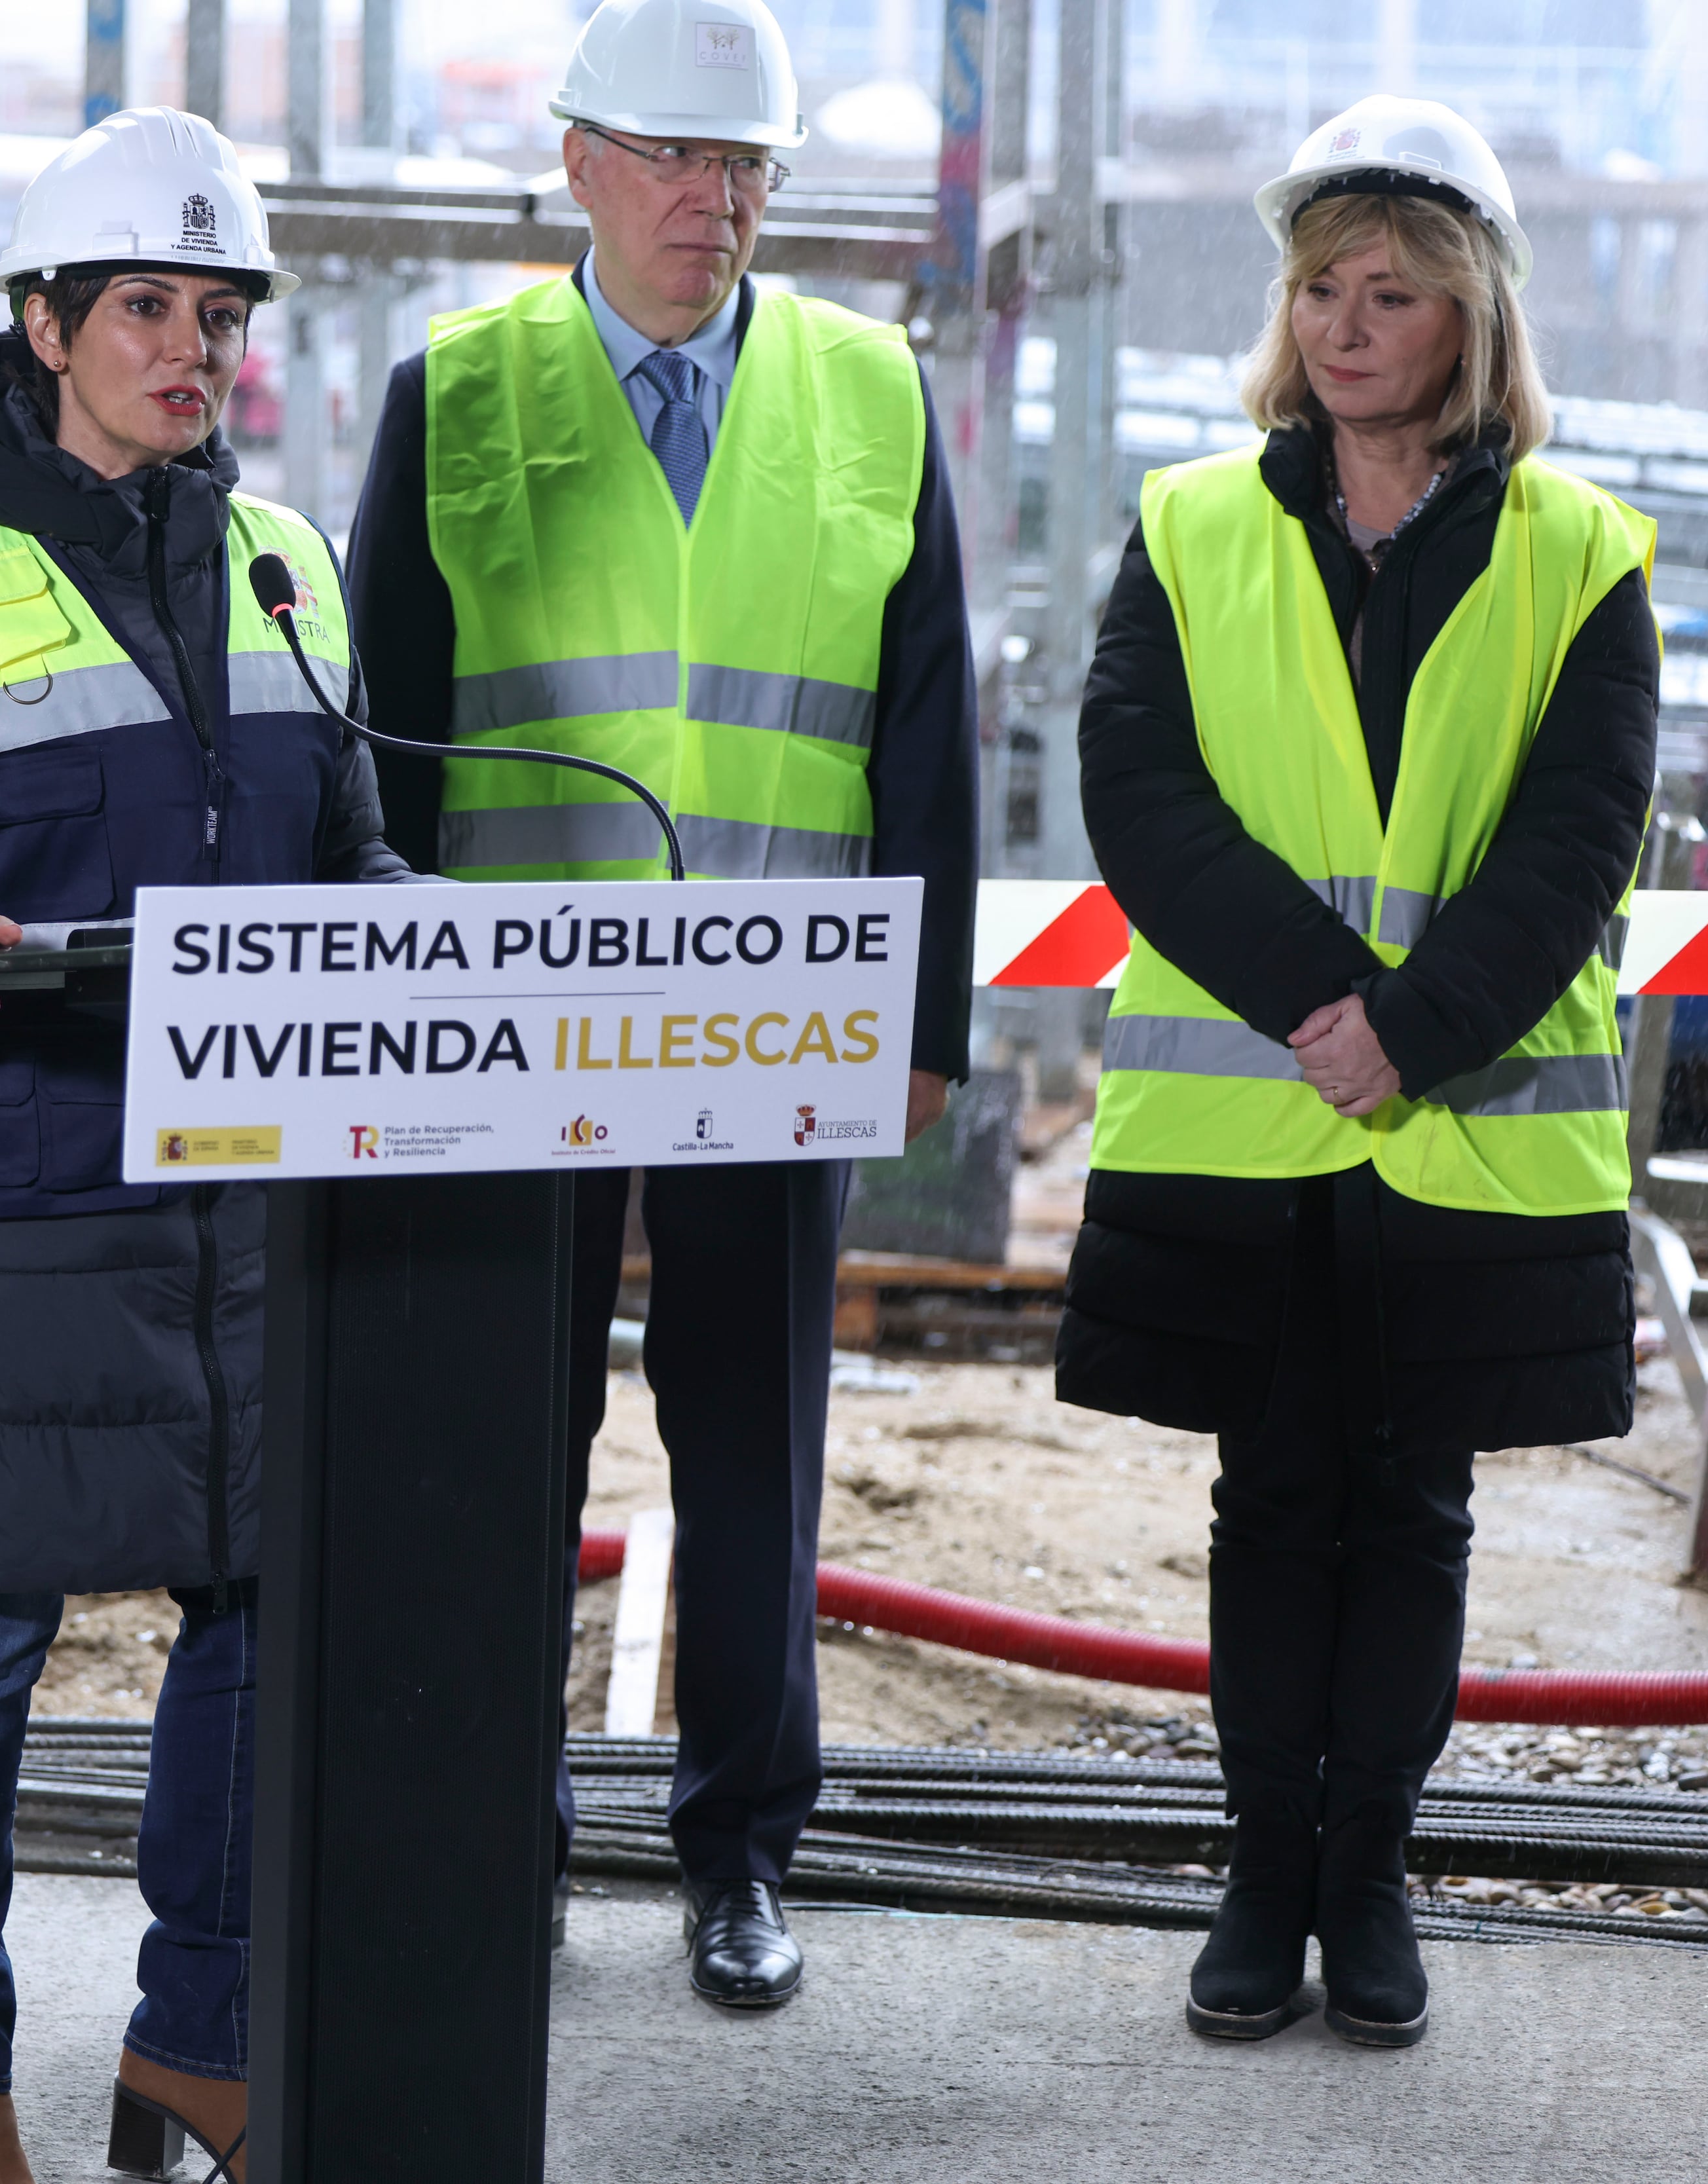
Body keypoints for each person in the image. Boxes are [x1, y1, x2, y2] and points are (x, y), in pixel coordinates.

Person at [0, 105, 405, 2184]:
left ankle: (193, 2043)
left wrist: (424, 937)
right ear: (44, 324)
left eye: (217, 313)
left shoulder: (290, 564)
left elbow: (356, 853)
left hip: (241, 1215)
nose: (190, 347)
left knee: (245, 1620)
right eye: (147, 305)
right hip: (8, 1208)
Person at [344, 0, 978, 2008]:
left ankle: (739, 1853)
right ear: (583, 165)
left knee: (756, 1437)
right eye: (685, 161)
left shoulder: (875, 392)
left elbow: (929, 729)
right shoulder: (455, 391)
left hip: (781, 1012)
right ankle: (486, 1833)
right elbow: (388, 734)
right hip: (513, 1011)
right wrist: (391, 1018)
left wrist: (925, 1018)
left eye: (752, 169)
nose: (721, 200)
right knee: (495, 1435)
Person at [1061, 96, 1656, 2050]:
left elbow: (1579, 838)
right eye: (1321, 286)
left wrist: (1405, 1028)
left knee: (1411, 1514)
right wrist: (1332, 999)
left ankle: (1368, 1882)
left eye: (1391, 290)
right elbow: (1140, 795)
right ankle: (1261, 1880)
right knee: (1272, 1498)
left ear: (1470, 316)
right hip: (1254, 1123)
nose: (1345, 323)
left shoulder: (1582, 554)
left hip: (1456, 1131)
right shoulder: (1190, 523)